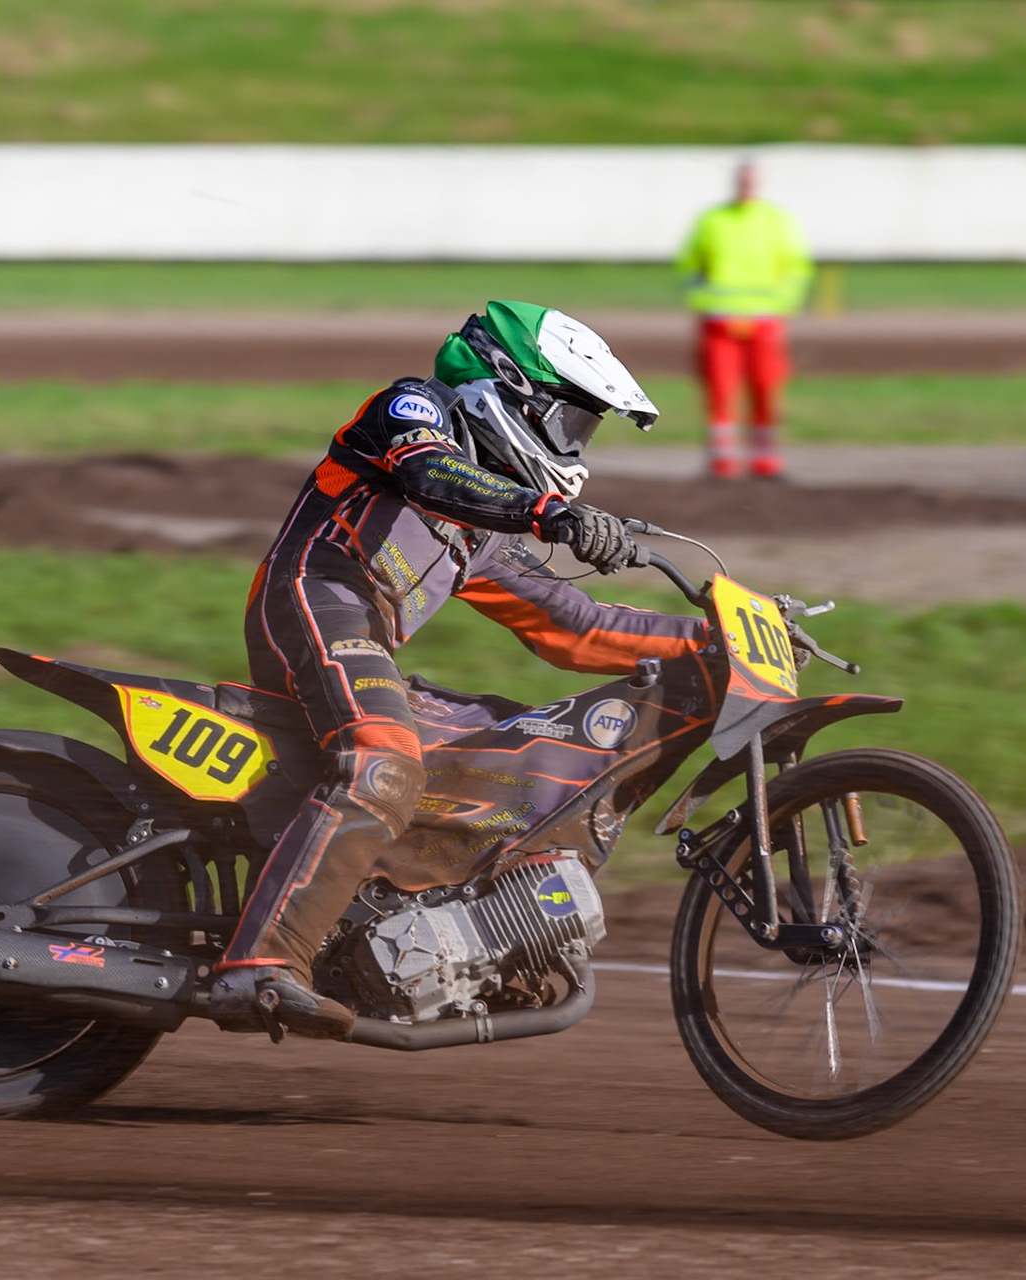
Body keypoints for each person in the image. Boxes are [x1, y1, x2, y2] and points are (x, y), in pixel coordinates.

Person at [209, 301, 711, 1040]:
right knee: (383, 760)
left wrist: (717, 638)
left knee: (514, 754)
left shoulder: (483, 533)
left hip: (366, 639)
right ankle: (260, 963)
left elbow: (576, 625)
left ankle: (404, 932)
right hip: (314, 603)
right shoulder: (413, 408)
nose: (578, 446)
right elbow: (431, 474)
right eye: (572, 422)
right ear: (508, 389)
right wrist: (548, 512)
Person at [674, 160, 812, 479]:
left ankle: (766, 459)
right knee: (720, 388)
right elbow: (688, 267)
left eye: (751, 181)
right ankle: (722, 459)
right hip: (719, 322)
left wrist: (781, 306)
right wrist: (705, 302)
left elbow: (796, 268)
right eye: (742, 181)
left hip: (764, 322)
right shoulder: (712, 220)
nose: (746, 187)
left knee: (766, 386)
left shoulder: (777, 221)